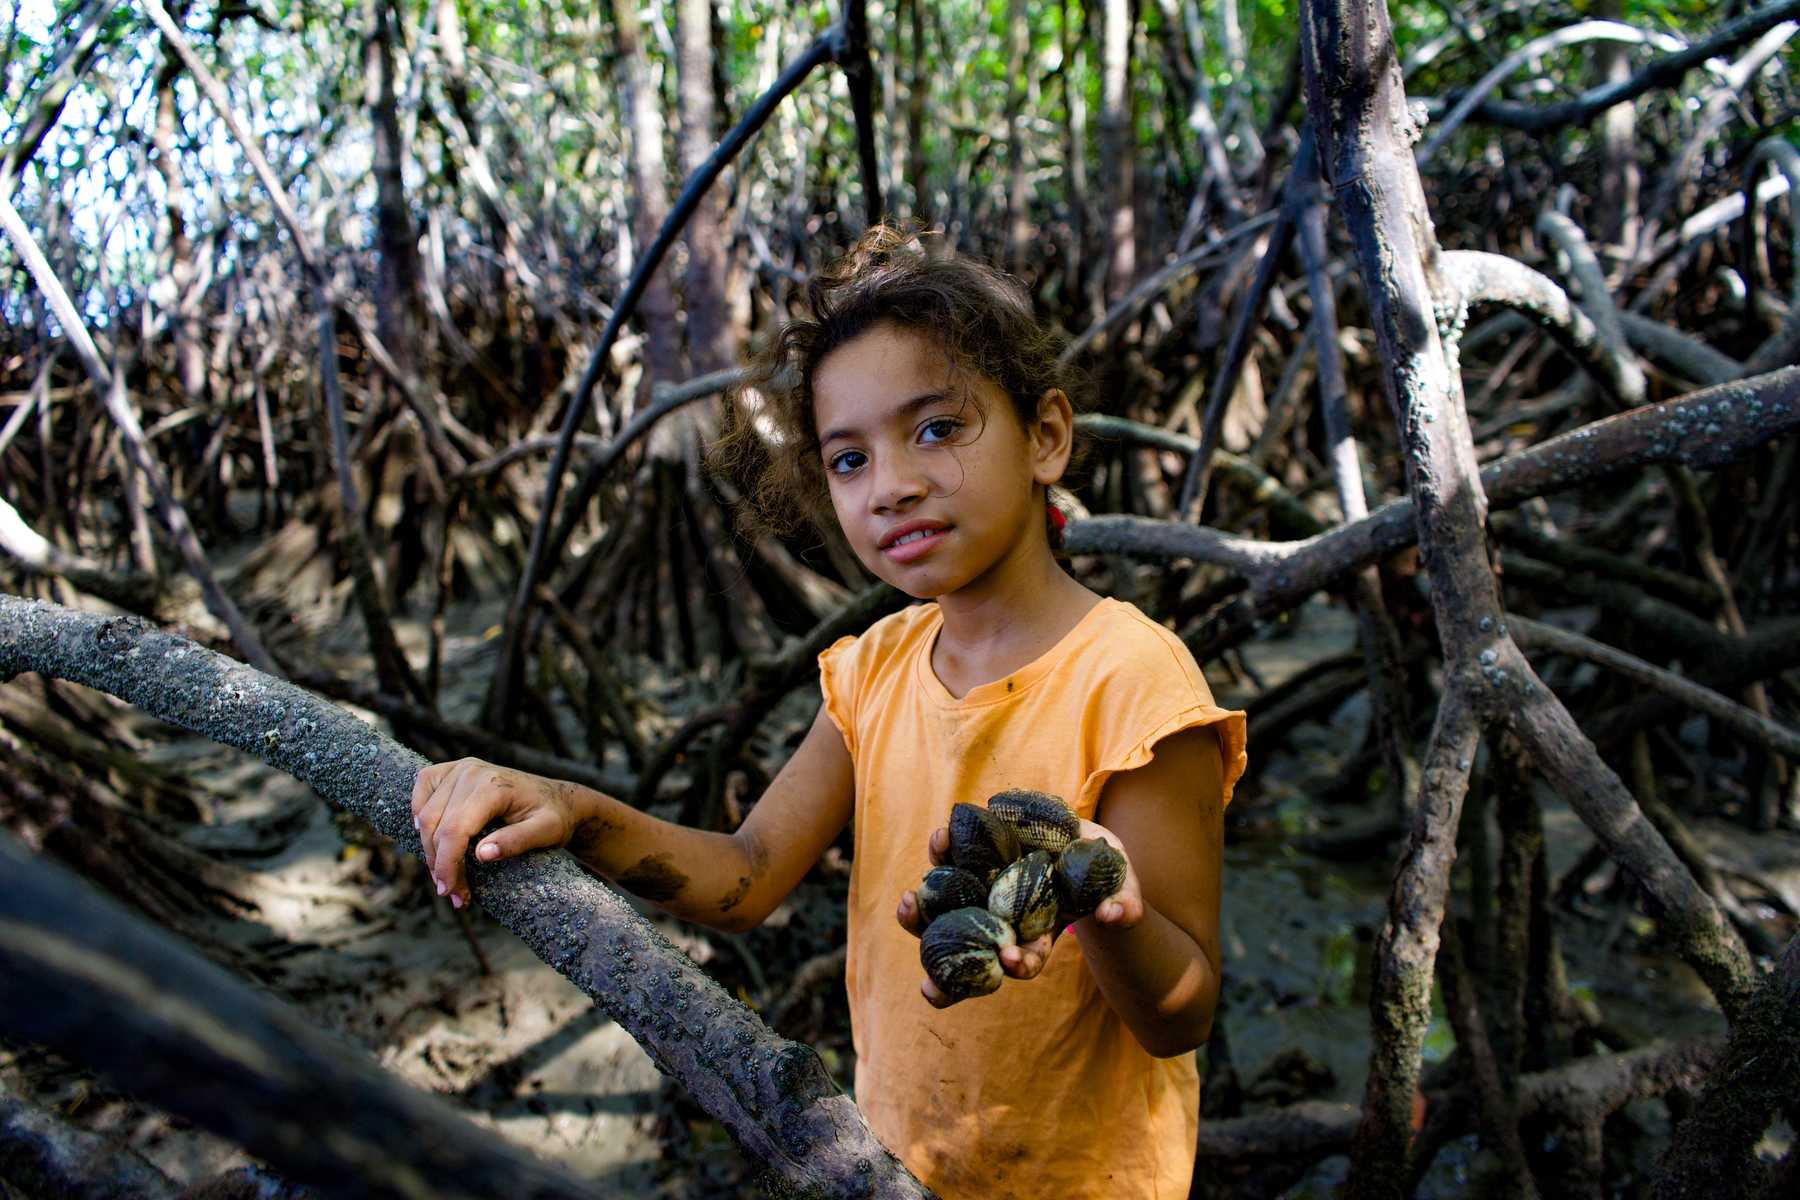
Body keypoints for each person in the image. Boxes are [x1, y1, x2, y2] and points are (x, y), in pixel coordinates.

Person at [411, 226, 1247, 1198]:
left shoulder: (1134, 683)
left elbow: (1180, 1015)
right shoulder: (876, 669)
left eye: (938, 429)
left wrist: (1095, 895)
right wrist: (575, 811)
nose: (891, 485)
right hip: (897, 1167)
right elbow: (750, 875)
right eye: (849, 460)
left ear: (1046, 437)